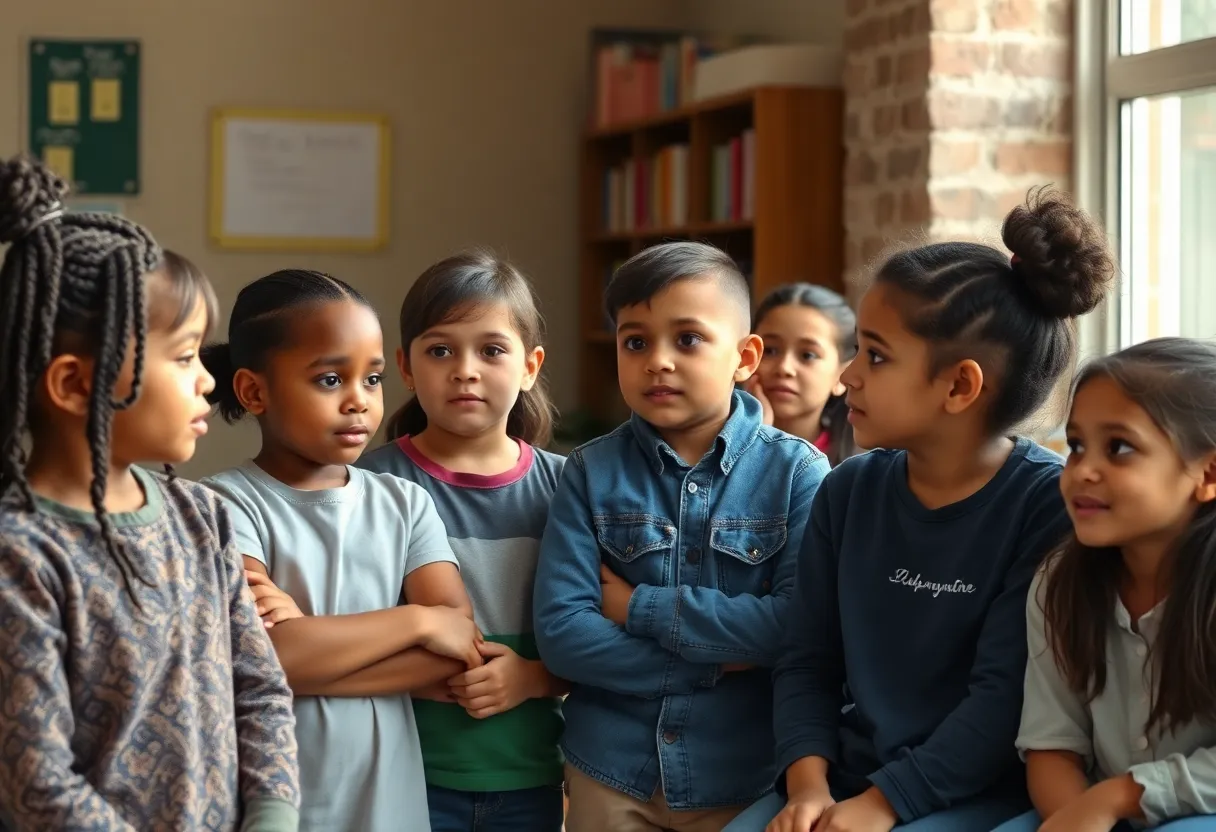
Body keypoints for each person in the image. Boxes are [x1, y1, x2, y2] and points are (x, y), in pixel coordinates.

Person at [729, 188, 1117, 832]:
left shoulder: (1046, 507)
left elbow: (1001, 702)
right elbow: (807, 660)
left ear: (959, 386)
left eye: (875, 356)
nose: (848, 376)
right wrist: (807, 786)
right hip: (844, 780)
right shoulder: (848, 489)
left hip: (974, 793)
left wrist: (882, 807)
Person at [0, 156, 301, 830]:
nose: (208, 381)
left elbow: (260, 693)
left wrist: (273, 819)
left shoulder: (205, 520)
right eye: (185, 355)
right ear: (75, 383)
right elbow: (39, 785)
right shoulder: (19, 557)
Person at [534, 241, 831, 831]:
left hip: (743, 775)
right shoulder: (588, 471)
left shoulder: (799, 472)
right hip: (609, 770)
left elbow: (794, 627)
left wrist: (634, 607)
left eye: (688, 339)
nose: (657, 361)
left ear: (746, 356)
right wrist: (716, 664)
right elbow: (564, 636)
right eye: (635, 341)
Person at [200, 270, 482, 832]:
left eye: (372, 379)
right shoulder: (219, 506)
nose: (359, 401)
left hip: (389, 805)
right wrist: (417, 619)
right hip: (272, 801)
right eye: (330, 380)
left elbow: (457, 650)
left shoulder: (406, 504)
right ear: (254, 391)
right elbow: (269, 658)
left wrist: (307, 647)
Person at [358, 250, 567, 832]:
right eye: (440, 350)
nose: (465, 369)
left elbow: (604, 641)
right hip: (399, 776)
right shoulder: (369, 486)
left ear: (530, 366)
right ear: (405, 365)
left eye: (492, 350)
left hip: (530, 776)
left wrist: (531, 677)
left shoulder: (569, 488)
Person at [993, 338, 1216, 832]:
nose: (1083, 471)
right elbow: (1052, 747)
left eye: (1119, 448)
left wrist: (1122, 795)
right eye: (1076, 446)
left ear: (1209, 473)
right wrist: (1086, 816)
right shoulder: (1057, 584)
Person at [744, 282, 858, 465]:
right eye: (771, 350)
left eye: (808, 355)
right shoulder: (706, 447)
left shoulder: (859, 472)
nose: (784, 368)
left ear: (841, 376)